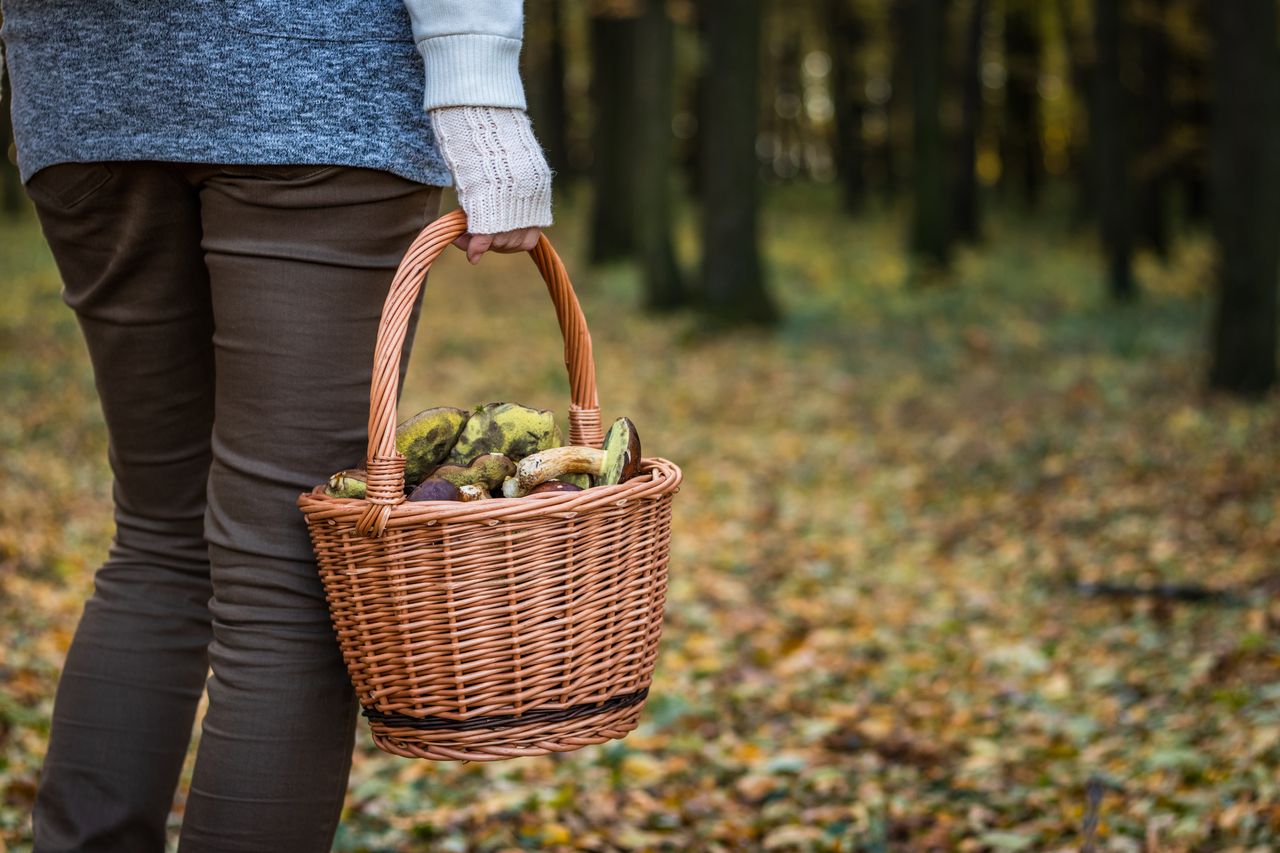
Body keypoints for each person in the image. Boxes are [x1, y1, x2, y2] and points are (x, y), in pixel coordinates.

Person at [1, 1, 553, 849]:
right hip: (317, 86)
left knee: (159, 538)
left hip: (86, 97)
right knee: (284, 571)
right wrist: (481, 97)